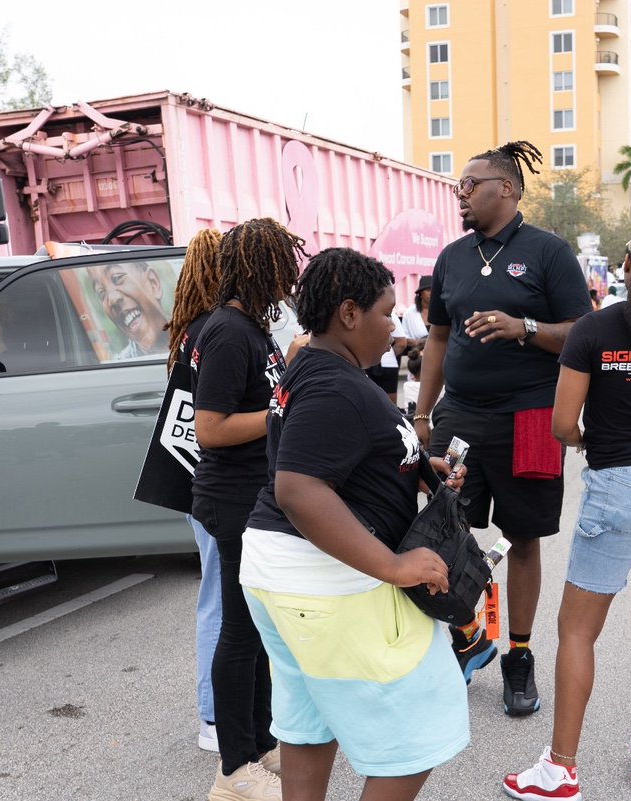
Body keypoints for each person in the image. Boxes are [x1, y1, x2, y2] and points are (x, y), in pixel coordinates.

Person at [240, 248, 470, 801]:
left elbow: (332, 458)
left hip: (280, 576)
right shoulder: (333, 386)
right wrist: (391, 565)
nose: (394, 329)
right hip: (328, 582)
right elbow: (297, 488)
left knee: (308, 723)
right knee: (419, 732)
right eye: (386, 313)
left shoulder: (317, 369)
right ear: (348, 312)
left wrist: (414, 467)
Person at [504, 221, 631, 800]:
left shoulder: (594, 330)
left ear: (626, 265)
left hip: (621, 484)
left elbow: (561, 424)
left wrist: (592, 445)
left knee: (576, 628)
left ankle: (561, 769)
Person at [412, 141, 593, 716]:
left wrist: (526, 326)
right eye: (457, 186)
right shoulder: (452, 258)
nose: (459, 194)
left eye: (470, 184)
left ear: (507, 189)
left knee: (522, 536)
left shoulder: (548, 252)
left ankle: (519, 655)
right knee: (443, 528)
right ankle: (466, 637)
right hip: (461, 415)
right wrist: (421, 413)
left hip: (532, 415)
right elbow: (437, 340)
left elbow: (581, 332)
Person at [193, 218, 306, 801]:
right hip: (230, 500)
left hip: (253, 497)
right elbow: (209, 428)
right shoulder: (229, 333)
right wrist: (279, 416)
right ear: (260, 269)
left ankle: (260, 746)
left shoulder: (253, 330)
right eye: (284, 268)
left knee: (259, 632)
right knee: (240, 634)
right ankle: (234, 770)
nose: (290, 280)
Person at [164, 228, 225, 753]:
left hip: (197, 480)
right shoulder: (215, 329)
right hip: (212, 483)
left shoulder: (191, 328)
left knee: (218, 595)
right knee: (219, 598)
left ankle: (218, 711)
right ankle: (211, 716)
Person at [87, 261, 170, 359]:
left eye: (117, 278)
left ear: (153, 283)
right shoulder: (119, 368)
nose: (112, 300)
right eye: (101, 293)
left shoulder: (191, 339)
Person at [366, 314, 408, 404]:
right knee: (389, 406)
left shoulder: (361, 311)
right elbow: (402, 343)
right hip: (388, 362)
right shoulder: (391, 314)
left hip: (364, 361)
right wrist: (388, 355)